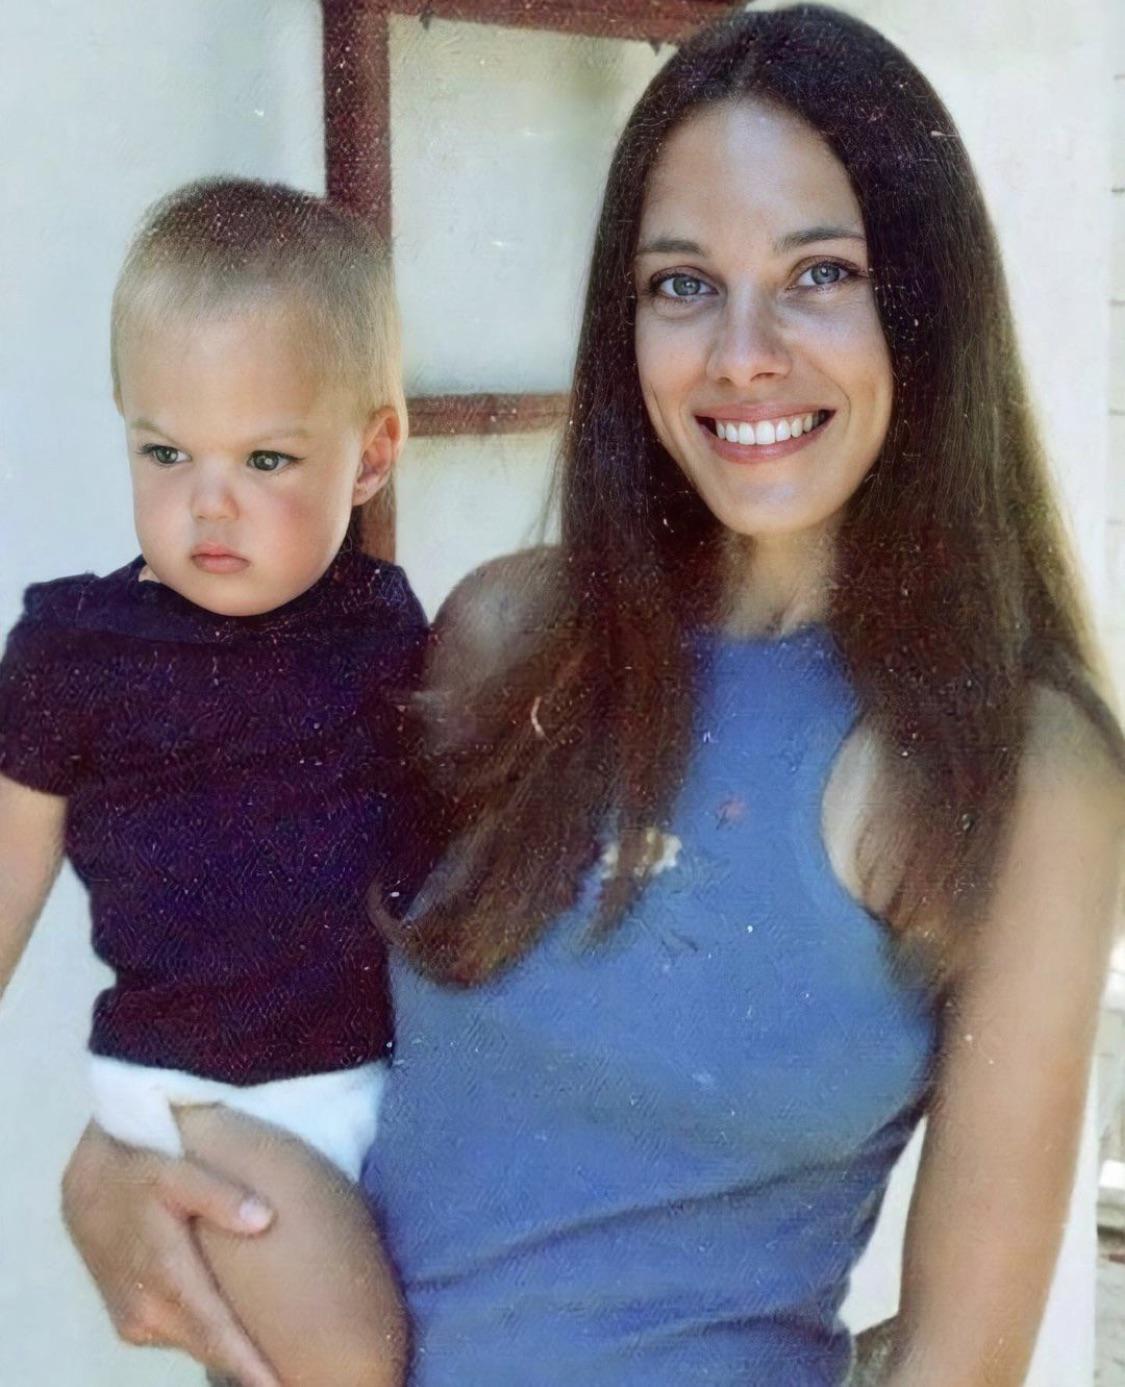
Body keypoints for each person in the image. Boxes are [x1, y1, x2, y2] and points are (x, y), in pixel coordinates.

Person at [63, 6, 1125, 1386]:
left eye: (820, 271)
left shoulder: (1022, 766)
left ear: (928, 303)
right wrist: (112, 1165)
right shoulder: (509, 633)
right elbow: (260, 1011)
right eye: (682, 283)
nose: (742, 350)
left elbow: (957, 1358)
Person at [0, 179, 423, 1386]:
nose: (209, 503)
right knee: (343, 1365)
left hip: (381, 1078)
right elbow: (8, 872)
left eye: (268, 456)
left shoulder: (386, 631)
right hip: (209, 1095)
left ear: (371, 453)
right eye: (166, 451)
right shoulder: (77, 652)